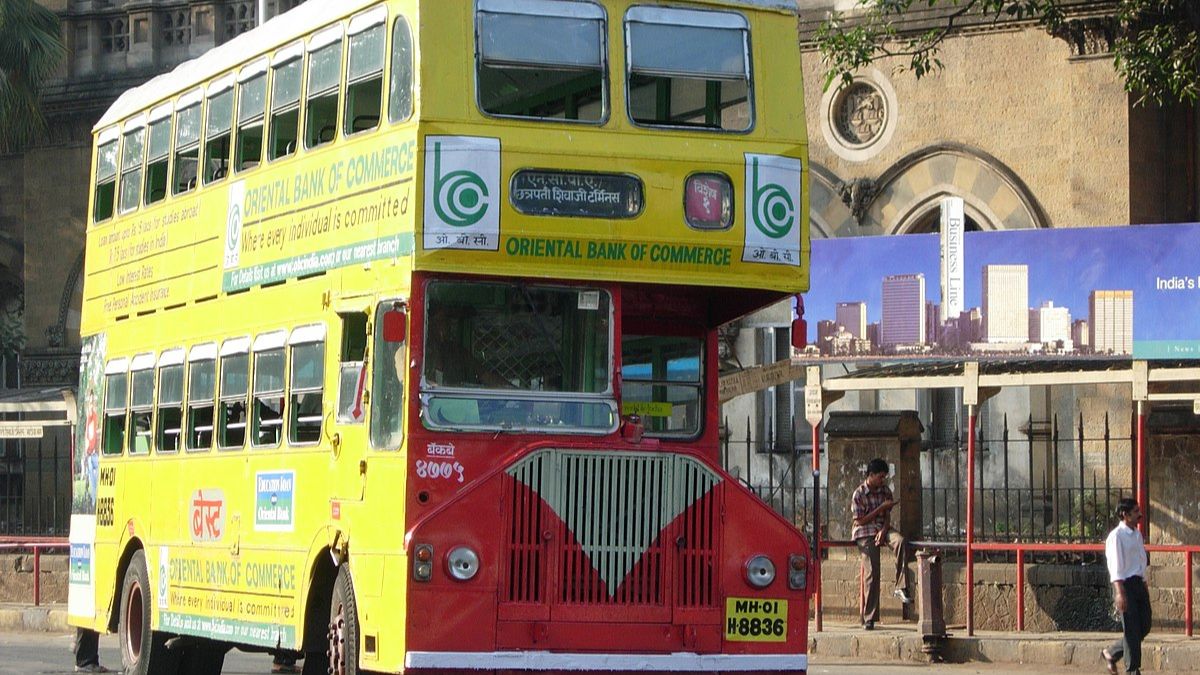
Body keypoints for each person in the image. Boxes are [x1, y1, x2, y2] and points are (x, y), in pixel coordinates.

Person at [850, 457, 913, 630]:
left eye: (884, 477)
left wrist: (884, 530)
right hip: (865, 532)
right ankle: (870, 616)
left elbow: (887, 515)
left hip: (881, 528)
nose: (882, 480)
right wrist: (880, 508)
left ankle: (902, 586)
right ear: (871, 475)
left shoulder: (885, 491)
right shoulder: (859, 494)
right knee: (873, 572)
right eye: (880, 476)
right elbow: (860, 520)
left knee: (900, 541)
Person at [1102, 498, 1150, 675]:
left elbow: (1140, 561)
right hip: (1125, 585)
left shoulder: (1136, 534)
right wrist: (1119, 592)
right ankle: (1132, 669)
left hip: (1138, 583)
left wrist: (1144, 584)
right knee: (1131, 628)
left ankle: (1112, 652)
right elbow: (1115, 566)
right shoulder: (1116, 537)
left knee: (1144, 625)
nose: (1139, 514)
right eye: (1136, 511)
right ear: (1125, 514)